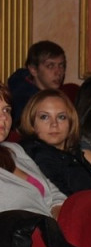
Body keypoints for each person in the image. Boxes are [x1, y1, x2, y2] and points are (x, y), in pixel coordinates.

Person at [19, 89, 91, 194]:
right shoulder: (35, 154)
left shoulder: (76, 153)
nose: (54, 124)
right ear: (32, 123)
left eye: (61, 117)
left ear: (71, 122)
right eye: (44, 117)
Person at [0, 83, 66, 217]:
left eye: (6, 110)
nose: (4, 117)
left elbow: (54, 194)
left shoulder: (14, 150)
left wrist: (62, 220)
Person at [7, 40, 68, 127]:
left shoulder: (68, 93)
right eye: (50, 66)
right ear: (33, 70)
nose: (58, 72)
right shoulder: (22, 104)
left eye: (61, 65)